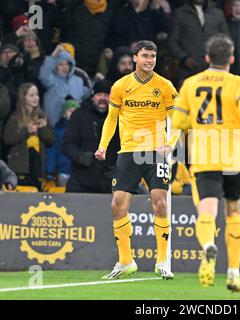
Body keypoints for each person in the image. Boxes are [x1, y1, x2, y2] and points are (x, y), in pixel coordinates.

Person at [172, 34, 240, 292]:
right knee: (233, 212)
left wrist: (193, 123)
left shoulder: (190, 83)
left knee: (207, 211)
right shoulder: (239, 83)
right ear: (231, 58)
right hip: (233, 155)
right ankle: (233, 274)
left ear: (206, 57)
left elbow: (179, 122)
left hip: (205, 155)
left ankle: (208, 245)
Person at [95, 40, 180, 280]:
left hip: (156, 151)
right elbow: (111, 119)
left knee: (159, 202)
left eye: (153, 56)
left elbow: (179, 120)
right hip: (129, 151)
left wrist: (170, 145)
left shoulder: (164, 86)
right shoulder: (121, 86)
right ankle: (125, 261)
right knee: (117, 205)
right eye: (145, 56)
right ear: (135, 58)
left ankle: (162, 261)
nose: (150, 60)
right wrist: (103, 146)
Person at [62, 80, 119, 193]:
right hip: (81, 179)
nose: (102, 98)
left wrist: (118, 166)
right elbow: (67, 144)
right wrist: (79, 157)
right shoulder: (79, 115)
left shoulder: (120, 118)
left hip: (109, 180)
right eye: (99, 95)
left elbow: (127, 146)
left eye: (106, 95)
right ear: (93, 97)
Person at [3, 83, 55, 191]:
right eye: (31, 95)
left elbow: (51, 141)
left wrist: (43, 129)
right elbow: (7, 139)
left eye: (37, 94)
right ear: (23, 97)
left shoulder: (43, 116)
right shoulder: (15, 117)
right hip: (19, 167)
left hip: (38, 167)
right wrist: (27, 131)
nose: (35, 98)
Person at [168, 0, 229, 86]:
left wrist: (219, 61)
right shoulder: (180, 14)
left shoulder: (218, 13)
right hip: (188, 71)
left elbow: (226, 40)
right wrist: (184, 58)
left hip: (214, 71)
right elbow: (172, 42)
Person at [38, 44, 91, 126]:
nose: (64, 67)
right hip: (54, 124)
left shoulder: (78, 80)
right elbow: (43, 75)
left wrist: (96, 83)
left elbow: (87, 94)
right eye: (61, 64)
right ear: (55, 66)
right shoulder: (51, 80)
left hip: (75, 125)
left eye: (67, 64)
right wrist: (53, 56)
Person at [45, 99, 80, 187]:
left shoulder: (83, 131)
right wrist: (49, 170)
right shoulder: (57, 130)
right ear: (64, 113)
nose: (73, 114)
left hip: (79, 172)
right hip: (63, 171)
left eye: (76, 111)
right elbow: (52, 150)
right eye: (70, 111)